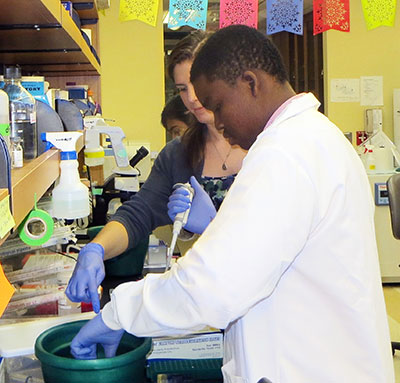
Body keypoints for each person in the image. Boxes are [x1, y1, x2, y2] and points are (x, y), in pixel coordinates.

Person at [70, 25, 395, 382]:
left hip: (312, 366)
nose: (217, 122)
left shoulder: (285, 153)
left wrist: (119, 314)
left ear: (251, 83)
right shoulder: (314, 136)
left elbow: (213, 286)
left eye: (219, 105)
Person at [65, 30, 247, 313]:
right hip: (211, 299)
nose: (193, 98)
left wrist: (214, 227)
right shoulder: (178, 154)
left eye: (198, 83)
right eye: (183, 88)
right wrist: (96, 250)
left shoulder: (263, 146)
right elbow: (139, 214)